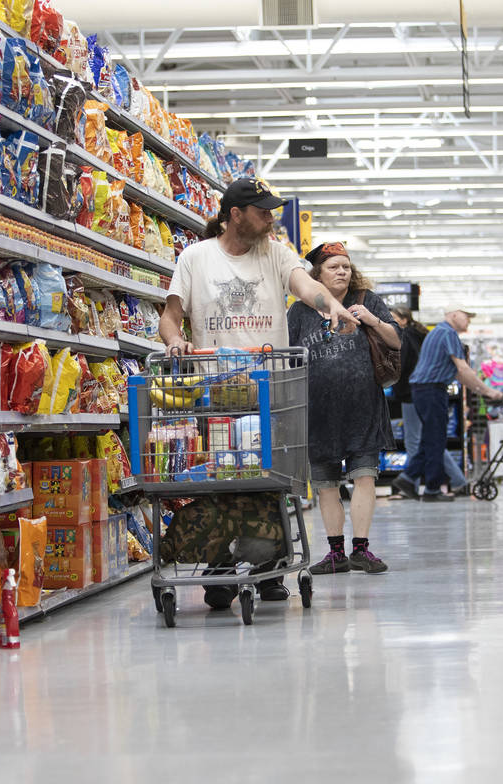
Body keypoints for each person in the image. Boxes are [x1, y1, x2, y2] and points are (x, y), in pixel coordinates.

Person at [158, 178, 359, 609]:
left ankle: (271, 563)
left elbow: (307, 287)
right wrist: (175, 340)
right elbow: (171, 316)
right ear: (235, 215)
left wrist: (331, 306)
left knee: (272, 480)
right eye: (263, 212)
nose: (271, 219)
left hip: (270, 388)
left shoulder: (274, 252)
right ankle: (222, 565)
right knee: (219, 479)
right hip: (213, 391)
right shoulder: (195, 258)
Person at [288, 242, 400, 576]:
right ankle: (335, 552)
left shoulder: (367, 300)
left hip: (362, 407)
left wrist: (374, 321)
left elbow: (396, 341)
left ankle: (361, 550)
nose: (342, 272)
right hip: (318, 411)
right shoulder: (300, 310)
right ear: (317, 274)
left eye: (346, 267)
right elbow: (289, 356)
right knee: (326, 484)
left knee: (365, 477)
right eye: (334, 267)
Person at [392, 308, 503, 502]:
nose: (469, 320)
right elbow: (462, 368)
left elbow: (459, 374)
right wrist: (489, 391)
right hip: (431, 390)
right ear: (453, 314)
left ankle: (409, 479)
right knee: (435, 439)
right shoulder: (448, 333)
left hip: (423, 390)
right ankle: (431, 489)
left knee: (431, 438)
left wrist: (481, 389)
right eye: (466, 316)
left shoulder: (438, 332)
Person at [390, 305, 469, 497]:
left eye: (392, 318)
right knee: (431, 438)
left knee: (417, 441)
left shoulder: (406, 337)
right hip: (422, 390)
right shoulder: (422, 334)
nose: (389, 322)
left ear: (404, 319)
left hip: (412, 392)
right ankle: (447, 482)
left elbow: (402, 365)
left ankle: (413, 484)